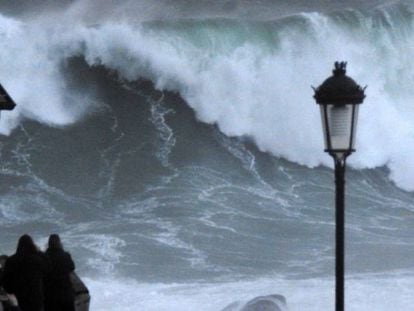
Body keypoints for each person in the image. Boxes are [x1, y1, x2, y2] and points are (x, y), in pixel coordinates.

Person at [2, 235, 48, 311]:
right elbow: (48, 266)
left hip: (20, 296)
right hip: (36, 295)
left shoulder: (11, 261)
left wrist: (11, 290)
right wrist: (39, 251)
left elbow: (6, 281)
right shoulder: (37, 259)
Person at [44, 234, 75, 311]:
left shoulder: (44, 257)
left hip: (50, 295)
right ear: (59, 243)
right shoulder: (66, 255)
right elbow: (72, 267)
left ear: (49, 244)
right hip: (66, 294)